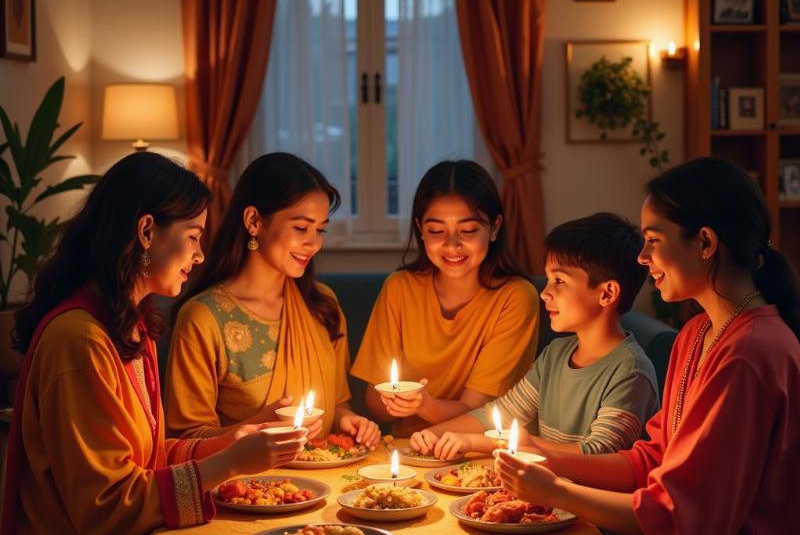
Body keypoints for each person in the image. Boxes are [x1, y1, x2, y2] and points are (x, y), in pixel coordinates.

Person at [0, 153, 306, 535]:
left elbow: (145, 459)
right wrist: (228, 464)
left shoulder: (129, 327)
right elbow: (105, 514)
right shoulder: (79, 343)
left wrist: (234, 438)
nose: (200, 254)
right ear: (146, 232)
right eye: (191, 236)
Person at [494, 158, 800, 535]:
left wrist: (556, 492)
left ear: (704, 243)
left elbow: (680, 518)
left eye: (653, 241)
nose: (642, 257)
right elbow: (653, 459)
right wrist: (545, 457)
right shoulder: (697, 333)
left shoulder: (750, 353)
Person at [166, 153, 380, 450]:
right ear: (254, 221)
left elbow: (337, 403)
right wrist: (259, 428)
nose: (314, 243)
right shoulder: (203, 318)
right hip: (247, 489)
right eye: (301, 228)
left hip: (325, 479)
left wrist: (347, 420)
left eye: (320, 230)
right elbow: (187, 440)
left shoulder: (322, 306)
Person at [410, 213, 659, 460]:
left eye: (559, 281)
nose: (544, 293)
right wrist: (434, 434)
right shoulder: (556, 354)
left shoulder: (631, 371)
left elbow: (599, 453)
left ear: (607, 293)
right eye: (548, 279)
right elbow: (502, 412)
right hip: (545, 489)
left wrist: (485, 443)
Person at [351, 159, 540, 437]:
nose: (452, 245)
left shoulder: (516, 297)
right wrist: (396, 402)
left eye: (468, 230)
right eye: (437, 231)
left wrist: (424, 405)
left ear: (495, 227)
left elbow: (479, 411)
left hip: (482, 450)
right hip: (407, 451)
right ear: (420, 229)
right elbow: (374, 403)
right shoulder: (399, 288)